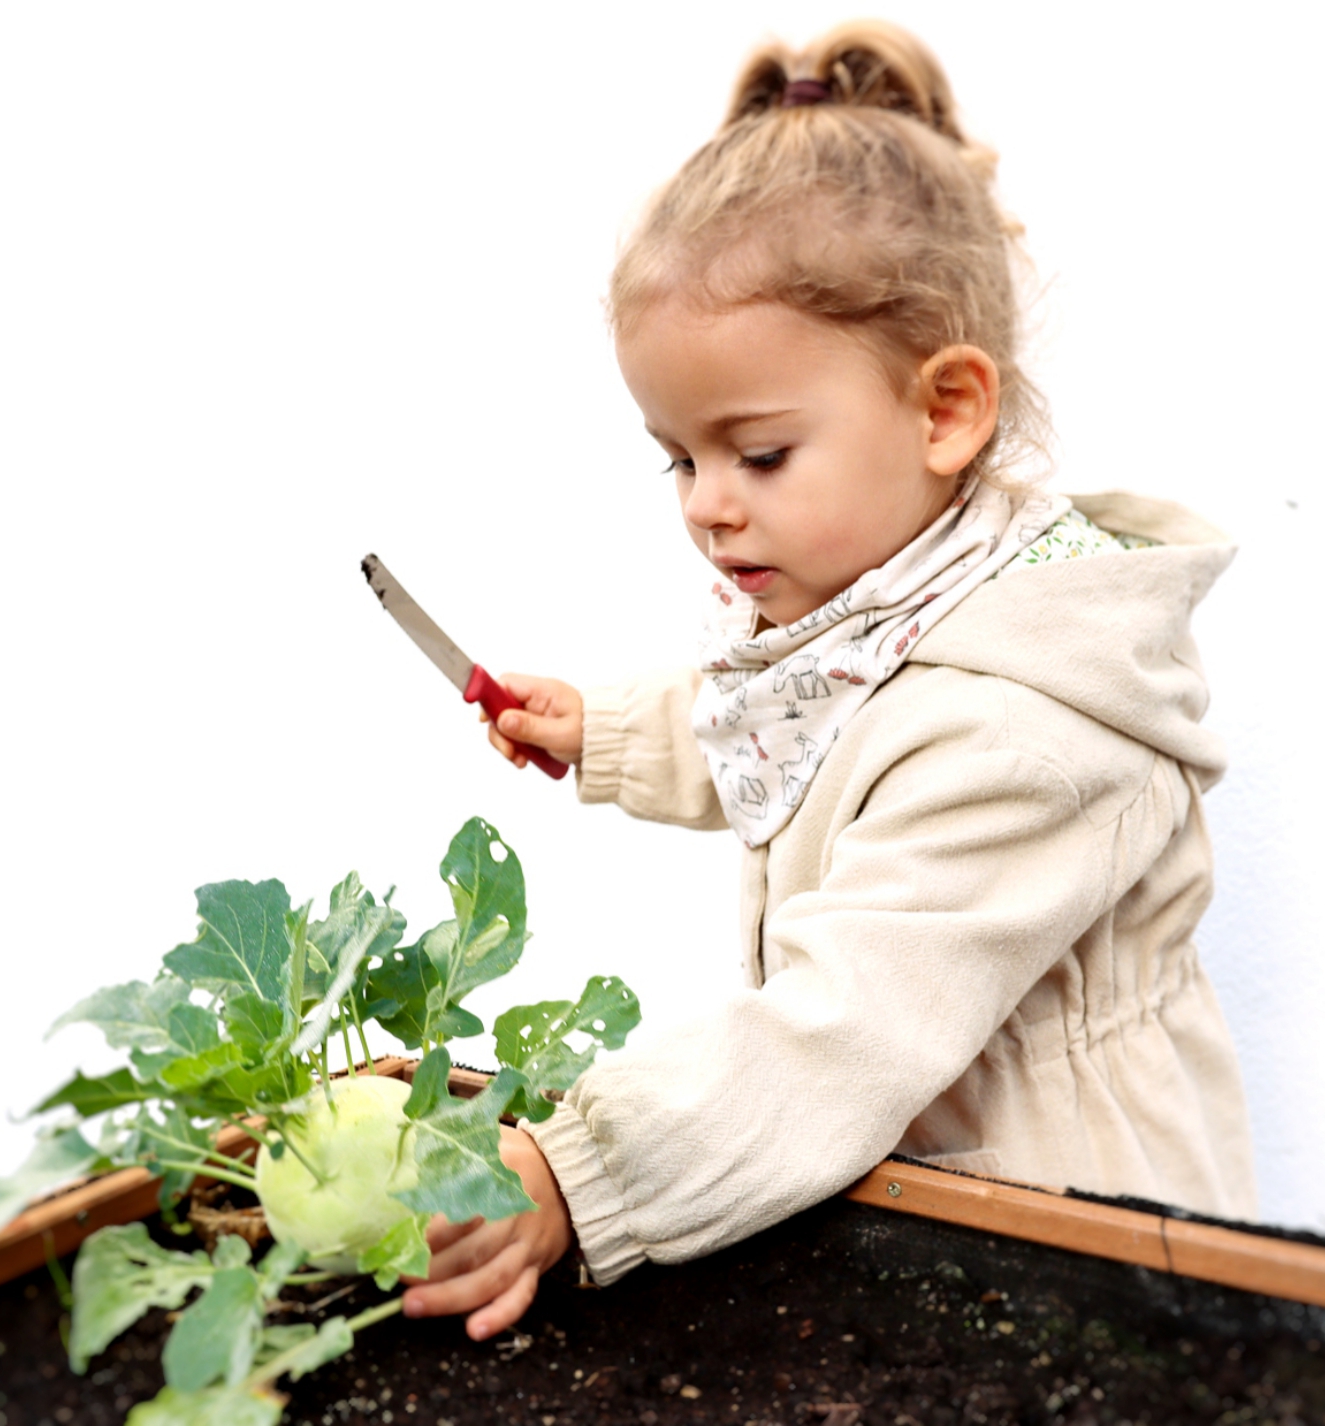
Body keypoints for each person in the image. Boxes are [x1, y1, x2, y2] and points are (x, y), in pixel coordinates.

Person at [400, 20, 1257, 1341]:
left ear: (946, 409)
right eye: (678, 460)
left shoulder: (1027, 732)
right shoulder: (885, 606)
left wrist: (579, 1172)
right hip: (916, 1191)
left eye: (759, 454)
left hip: (1073, 1245)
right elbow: (801, 732)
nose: (706, 507)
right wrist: (611, 732)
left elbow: (840, 1028)